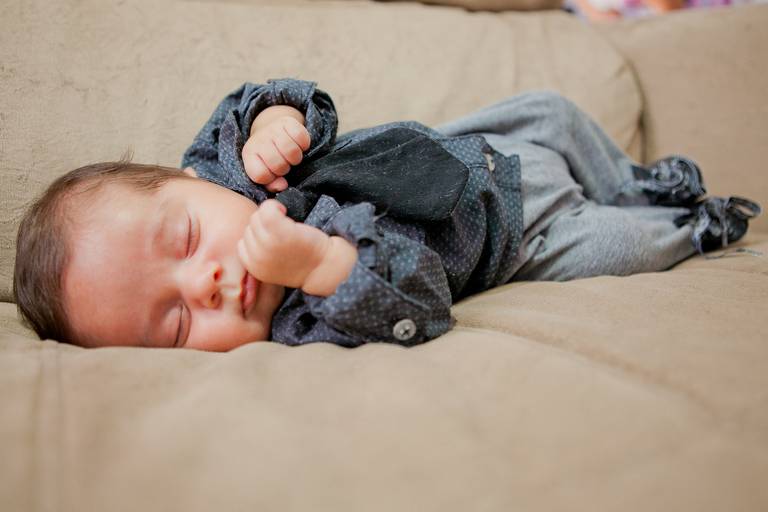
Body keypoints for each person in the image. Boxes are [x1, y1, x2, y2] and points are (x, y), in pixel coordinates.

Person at [13, 78, 761, 351]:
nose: (205, 282)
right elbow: (422, 298)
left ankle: (641, 183)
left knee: (555, 111)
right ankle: (688, 228)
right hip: (522, 238)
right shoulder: (304, 321)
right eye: (176, 324)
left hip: (471, 150)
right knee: (617, 246)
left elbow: (261, 98)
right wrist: (315, 265)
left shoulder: (229, 163)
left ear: (186, 179)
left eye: (182, 237)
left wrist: (276, 117)